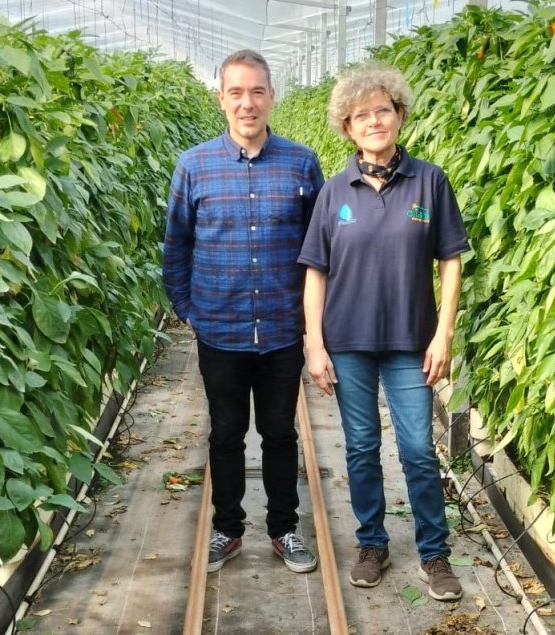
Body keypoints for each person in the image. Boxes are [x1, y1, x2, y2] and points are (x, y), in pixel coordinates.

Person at [298, 61, 468, 601]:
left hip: (409, 341)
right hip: (347, 342)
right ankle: (372, 543)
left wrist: (443, 334)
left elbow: (450, 261)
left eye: (383, 110)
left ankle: (434, 554)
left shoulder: (430, 181)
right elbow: (315, 272)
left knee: (419, 449)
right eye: (361, 114)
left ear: (400, 115)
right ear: (347, 127)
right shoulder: (334, 191)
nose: (374, 121)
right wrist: (315, 344)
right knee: (363, 447)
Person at [163, 49, 324, 574]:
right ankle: (227, 530)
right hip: (220, 328)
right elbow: (176, 245)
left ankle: (284, 529)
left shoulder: (301, 163)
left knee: (279, 433)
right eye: (236, 92)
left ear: (272, 97)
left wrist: (312, 323)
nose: (247, 103)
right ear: (222, 100)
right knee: (226, 433)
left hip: (281, 329)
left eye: (257, 91)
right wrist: (188, 308)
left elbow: (319, 248)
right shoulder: (194, 165)